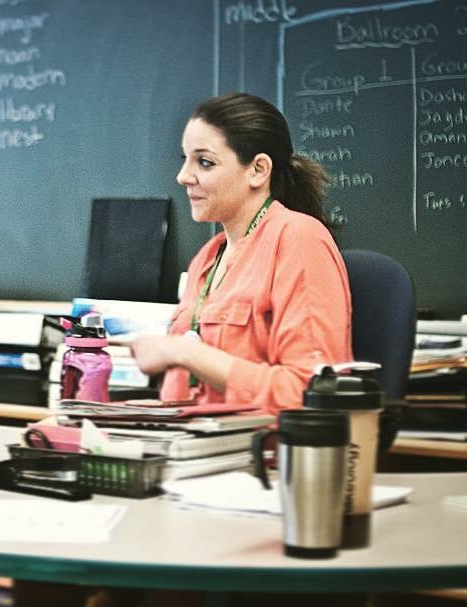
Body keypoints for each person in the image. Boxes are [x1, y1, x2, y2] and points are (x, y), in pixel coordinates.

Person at [130, 92, 352, 416]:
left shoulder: (297, 239)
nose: (183, 176)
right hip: (190, 449)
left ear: (259, 170)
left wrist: (185, 353)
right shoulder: (206, 259)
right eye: (185, 160)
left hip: (263, 458)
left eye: (204, 162)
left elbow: (310, 392)